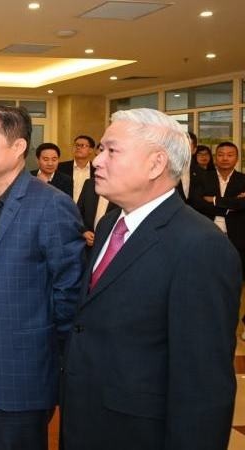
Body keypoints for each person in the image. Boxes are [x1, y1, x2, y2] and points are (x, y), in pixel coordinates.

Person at [61, 109, 241, 450]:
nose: (97, 161)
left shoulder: (200, 246)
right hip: (87, 420)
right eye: (100, 149)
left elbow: (203, 384)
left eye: (111, 151)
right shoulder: (108, 225)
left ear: (156, 164)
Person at [0, 105, 84, 450]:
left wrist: (56, 364)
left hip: (19, 369)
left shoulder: (51, 205)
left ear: (18, 147)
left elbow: (68, 294)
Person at [191, 142, 245, 278]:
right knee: (205, 276)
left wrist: (216, 200)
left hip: (237, 236)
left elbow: (243, 204)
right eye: (221, 155)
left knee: (233, 278)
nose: (225, 158)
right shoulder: (202, 178)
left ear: (237, 158)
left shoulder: (243, 180)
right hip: (207, 233)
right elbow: (197, 203)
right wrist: (231, 207)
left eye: (230, 155)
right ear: (215, 158)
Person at [76, 178, 120, 248]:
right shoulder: (90, 184)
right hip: (86, 247)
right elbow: (77, 213)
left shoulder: (122, 187)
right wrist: (84, 232)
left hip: (109, 246)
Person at [57, 135, 96, 202]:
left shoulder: (97, 170)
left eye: (82, 145)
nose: (78, 148)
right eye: (76, 145)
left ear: (91, 150)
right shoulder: (60, 168)